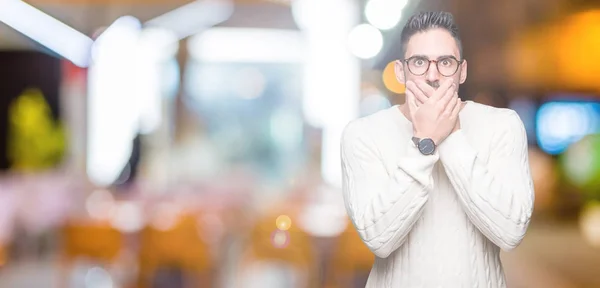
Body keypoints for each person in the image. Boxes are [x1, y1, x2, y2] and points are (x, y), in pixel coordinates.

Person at [340, 11, 534, 287]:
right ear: (400, 71)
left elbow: (511, 232)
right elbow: (379, 238)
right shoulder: (362, 135)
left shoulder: (503, 125)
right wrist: (424, 144)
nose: (433, 75)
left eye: (445, 62)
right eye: (419, 62)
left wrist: (451, 135)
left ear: (462, 71)